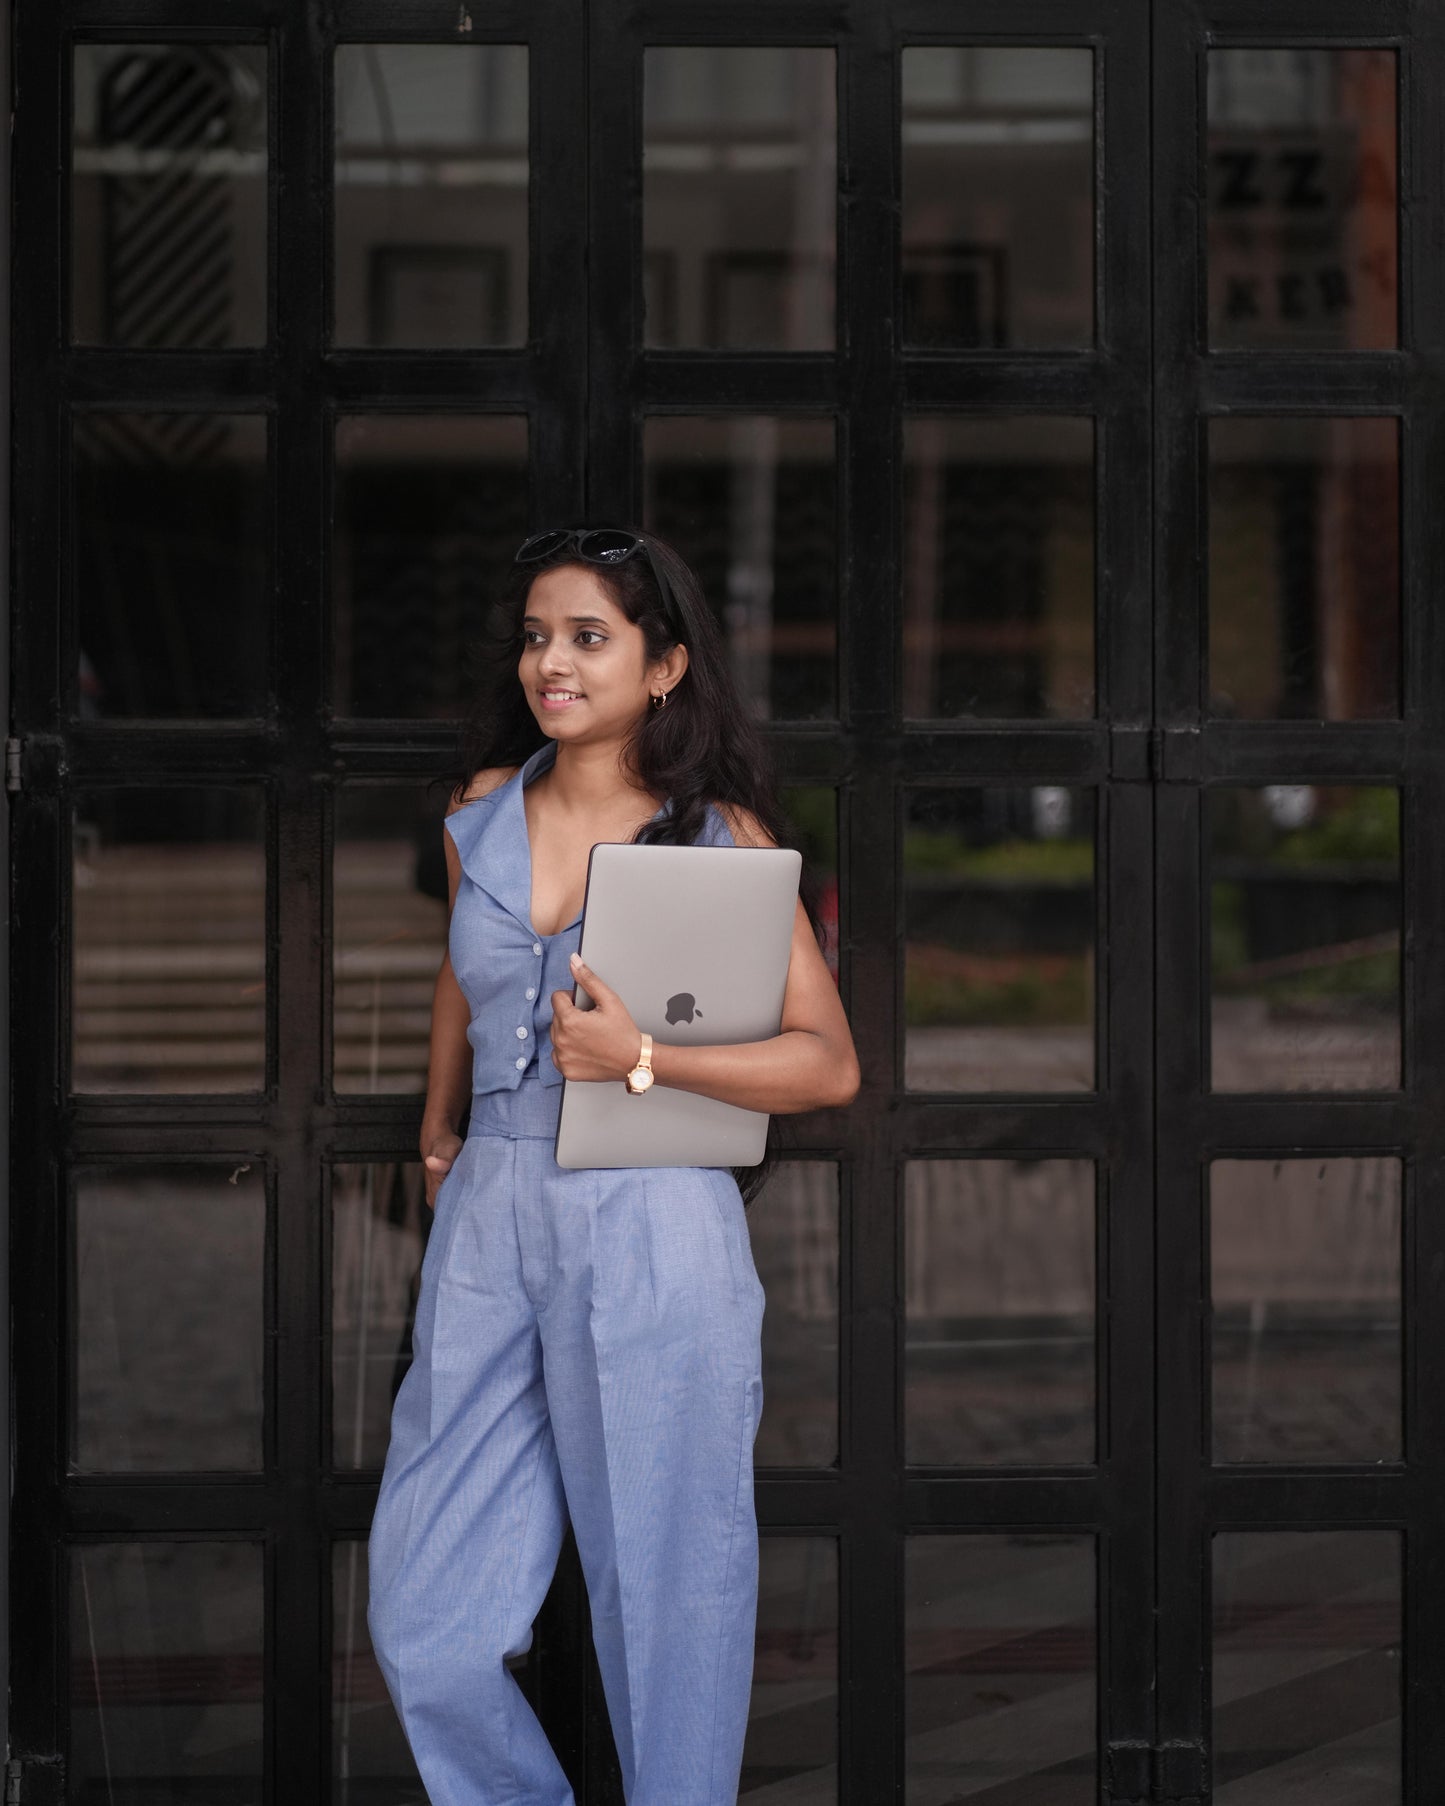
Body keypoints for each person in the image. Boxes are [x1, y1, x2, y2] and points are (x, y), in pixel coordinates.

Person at [367, 525, 861, 1806]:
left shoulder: (717, 836)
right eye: (537, 635)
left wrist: (648, 1055)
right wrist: (440, 1126)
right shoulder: (478, 815)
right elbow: (458, 984)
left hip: (654, 1218)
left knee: (668, 1587)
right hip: (488, 1216)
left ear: (664, 667)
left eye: (589, 637)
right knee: (427, 1609)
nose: (552, 662)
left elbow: (827, 1064)